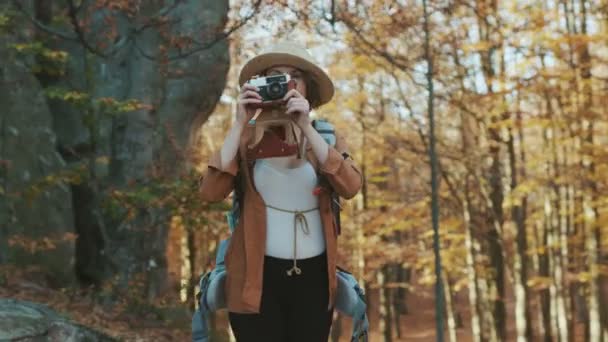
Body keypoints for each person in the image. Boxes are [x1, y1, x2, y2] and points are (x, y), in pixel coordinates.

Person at [198, 42, 362, 342]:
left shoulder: (325, 136)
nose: (285, 83)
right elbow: (210, 192)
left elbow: (350, 186)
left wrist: (307, 128)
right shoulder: (245, 138)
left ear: (307, 88)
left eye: (294, 76)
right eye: (275, 76)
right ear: (260, 85)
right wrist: (239, 123)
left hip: (314, 279)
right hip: (254, 277)